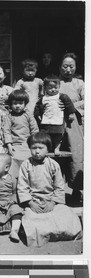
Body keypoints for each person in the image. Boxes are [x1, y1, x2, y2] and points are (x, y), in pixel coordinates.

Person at [17, 132, 82, 247]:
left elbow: (59, 186)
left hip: (51, 200)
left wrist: (52, 202)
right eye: (34, 148)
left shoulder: (53, 165)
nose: (37, 151)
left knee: (67, 215)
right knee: (30, 218)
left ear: (48, 149)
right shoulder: (26, 165)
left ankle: (56, 231)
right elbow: (22, 186)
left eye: (41, 148)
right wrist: (31, 203)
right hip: (33, 201)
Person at [59, 53, 84, 200]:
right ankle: (57, 191)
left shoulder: (80, 84)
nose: (68, 69)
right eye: (65, 66)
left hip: (74, 121)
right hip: (56, 122)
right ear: (60, 67)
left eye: (71, 66)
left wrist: (71, 106)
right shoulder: (54, 81)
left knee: (75, 155)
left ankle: (76, 190)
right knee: (57, 155)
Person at [34, 75, 75, 155]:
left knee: (58, 136)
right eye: (50, 88)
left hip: (57, 120)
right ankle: (47, 148)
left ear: (59, 87)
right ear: (45, 88)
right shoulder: (43, 98)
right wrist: (37, 114)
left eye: (55, 87)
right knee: (45, 136)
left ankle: (57, 148)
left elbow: (69, 104)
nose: (53, 90)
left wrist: (71, 113)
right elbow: (37, 106)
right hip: (46, 120)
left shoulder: (62, 96)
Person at [3, 89, 39, 177]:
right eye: (15, 103)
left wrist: (34, 143)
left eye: (20, 103)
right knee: (13, 159)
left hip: (27, 144)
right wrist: (9, 144)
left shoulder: (28, 115)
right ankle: (15, 182)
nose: (18, 106)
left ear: (25, 104)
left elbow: (34, 129)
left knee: (30, 161)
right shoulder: (9, 117)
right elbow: (6, 131)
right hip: (15, 145)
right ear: (10, 104)